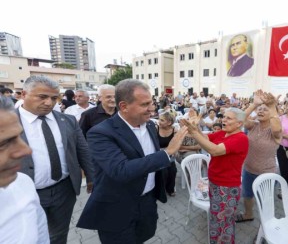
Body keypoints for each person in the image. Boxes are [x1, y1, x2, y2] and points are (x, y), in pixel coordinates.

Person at [77, 79, 187, 244]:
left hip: (146, 203)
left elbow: (151, 160)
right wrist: (168, 152)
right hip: (117, 208)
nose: (152, 108)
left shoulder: (150, 125)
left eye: (152, 102)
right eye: (145, 104)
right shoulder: (100, 133)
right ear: (123, 106)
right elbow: (121, 170)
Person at [17, 76, 95, 244]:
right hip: (25, 194)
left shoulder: (67, 120)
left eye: (54, 98)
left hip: (64, 190)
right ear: (24, 94)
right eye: (42, 97)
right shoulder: (7, 122)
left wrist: (91, 176)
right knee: (29, 237)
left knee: (59, 234)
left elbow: (83, 150)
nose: (49, 103)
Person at [180, 107, 249, 244]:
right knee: (217, 218)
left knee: (224, 222)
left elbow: (214, 150)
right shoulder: (223, 133)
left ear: (239, 123)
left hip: (227, 187)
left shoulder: (241, 138)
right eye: (224, 116)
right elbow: (205, 138)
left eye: (229, 118)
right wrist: (196, 127)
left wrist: (194, 132)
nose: (224, 119)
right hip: (215, 182)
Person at [0, 96, 50, 244]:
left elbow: (41, 237)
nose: (26, 150)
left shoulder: (22, 184)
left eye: (18, 137)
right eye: (3, 143)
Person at [235, 90, 282, 222]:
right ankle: (248, 214)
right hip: (248, 169)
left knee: (265, 202)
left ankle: (266, 228)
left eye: (264, 110)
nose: (260, 111)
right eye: (259, 110)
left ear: (272, 113)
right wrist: (254, 104)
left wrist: (272, 107)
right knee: (247, 195)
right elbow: (239, 118)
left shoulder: (275, 131)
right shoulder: (253, 126)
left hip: (266, 172)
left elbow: (277, 129)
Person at [157, 112, 178, 196]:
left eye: (162, 120)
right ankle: (160, 190)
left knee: (173, 170)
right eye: (159, 119)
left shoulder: (174, 130)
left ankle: (170, 189)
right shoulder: (156, 128)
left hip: (170, 154)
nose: (159, 121)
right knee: (163, 171)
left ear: (169, 122)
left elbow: (176, 143)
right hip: (157, 153)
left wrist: (175, 151)